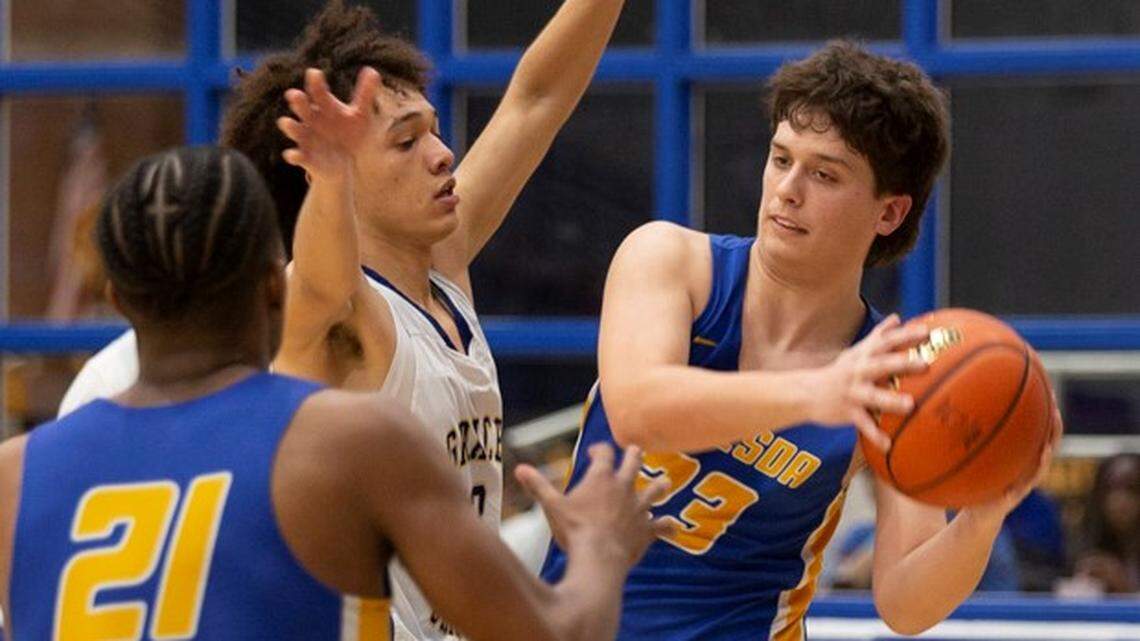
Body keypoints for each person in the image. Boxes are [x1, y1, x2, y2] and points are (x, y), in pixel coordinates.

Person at [0, 145, 669, 641]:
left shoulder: (15, 474)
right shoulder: (344, 440)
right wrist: (600, 547)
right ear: (274, 283)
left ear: (116, 298)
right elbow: (554, 634)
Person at [541, 40, 1064, 639]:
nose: (788, 188)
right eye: (781, 158)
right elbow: (638, 411)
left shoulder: (892, 372)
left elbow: (905, 604)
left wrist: (984, 512)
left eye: (824, 174)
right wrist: (819, 393)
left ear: (889, 213)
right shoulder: (669, 259)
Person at [222, 3, 631, 637]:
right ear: (328, 169)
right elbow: (323, 278)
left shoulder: (442, 265)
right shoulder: (340, 312)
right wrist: (330, 180)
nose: (442, 155)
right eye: (407, 141)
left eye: (434, 131)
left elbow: (537, 97)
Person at [1070, 453, 1140, 593]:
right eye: (1110, 489)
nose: (1119, 500)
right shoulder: (1086, 544)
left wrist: (1125, 586)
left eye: (1131, 489)